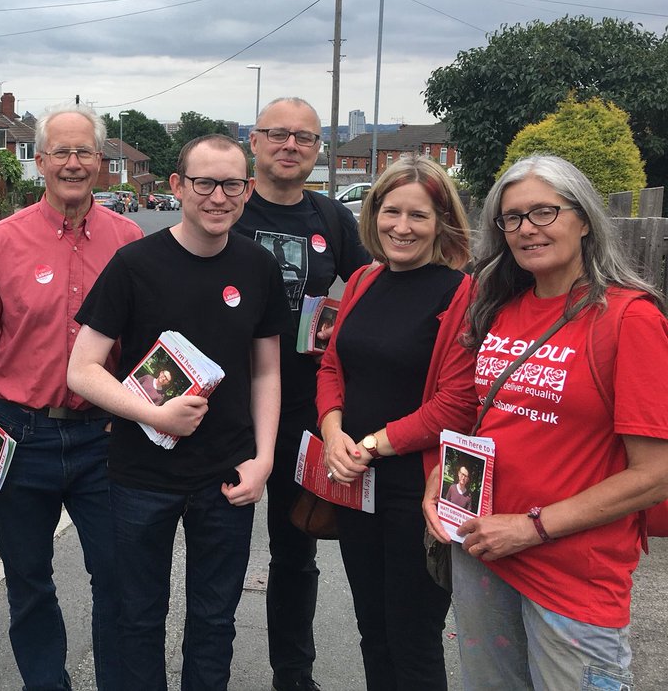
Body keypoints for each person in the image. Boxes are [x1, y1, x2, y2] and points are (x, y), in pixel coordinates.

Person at [423, 154, 668, 690]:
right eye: (511, 218)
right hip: (482, 548)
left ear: (583, 219)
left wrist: (530, 527)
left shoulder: (631, 318)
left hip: (570, 573)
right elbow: (487, 422)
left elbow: (656, 474)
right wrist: (438, 485)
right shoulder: (500, 307)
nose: (526, 229)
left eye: (544, 212)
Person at [68, 133, 292, 691]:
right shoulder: (134, 265)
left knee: (214, 623)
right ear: (177, 186)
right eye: (204, 183)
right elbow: (83, 369)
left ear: (248, 189)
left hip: (226, 477)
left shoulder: (258, 267)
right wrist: (154, 416)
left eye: (232, 184)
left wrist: (264, 458)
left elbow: (266, 370)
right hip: (141, 478)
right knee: (138, 619)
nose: (218, 197)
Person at [0, 103, 142, 690]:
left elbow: (144, 344)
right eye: (60, 151)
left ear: (101, 161)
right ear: (39, 162)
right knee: (28, 579)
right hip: (18, 434)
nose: (73, 163)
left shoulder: (129, 240)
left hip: (103, 438)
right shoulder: (0, 242)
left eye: (84, 151)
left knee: (118, 579)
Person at [315, 154, 477, 690]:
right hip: (357, 485)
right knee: (373, 631)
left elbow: (458, 402)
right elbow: (334, 364)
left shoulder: (463, 294)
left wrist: (370, 446)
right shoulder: (362, 279)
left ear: (442, 224)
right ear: (373, 214)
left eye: (418, 216)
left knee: (414, 638)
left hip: (421, 490)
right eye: (391, 212)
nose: (401, 227)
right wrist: (333, 433)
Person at [233, 97, 370, 691]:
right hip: (223, 410)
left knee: (295, 551)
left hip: (303, 412)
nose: (291, 146)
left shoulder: (332, 219)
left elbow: (373, 289)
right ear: (255, 142)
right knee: (219, 551)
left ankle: (294, 676)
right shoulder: (226, 207)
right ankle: (203, 670)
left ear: (318, 150)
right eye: (278, 134)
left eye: (305, 138)